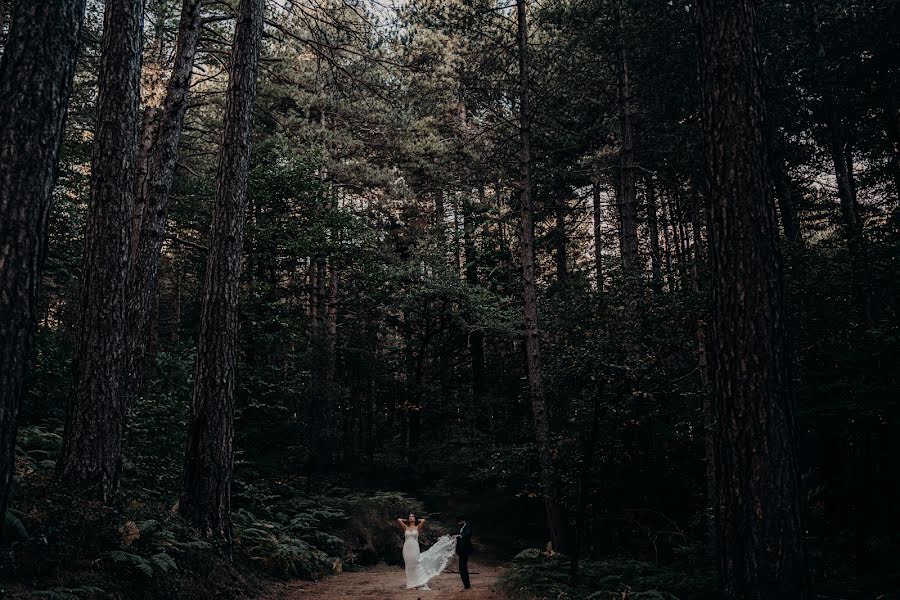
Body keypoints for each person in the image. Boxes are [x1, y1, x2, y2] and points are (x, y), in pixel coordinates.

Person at [397, 512, 457, 590]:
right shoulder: (406, 527)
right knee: (409, 565)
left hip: (415, 547)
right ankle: (411, 584)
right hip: (406, 548)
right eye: (410, 516)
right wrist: (407, 520)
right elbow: (399, 520)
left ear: (415, 518)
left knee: (416, 564)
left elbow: (423, 520)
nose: (411, 517)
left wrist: (416, 520)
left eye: (412, 516)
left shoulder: (417, 527)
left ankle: (419, 582)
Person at [454, 515, 473, 589]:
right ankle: (466, 585)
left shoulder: (468, 527)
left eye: (459, 521)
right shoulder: (461, 528)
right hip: (461, 550)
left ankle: (467, 585)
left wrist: (459, 535)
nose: (458, 523)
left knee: (463, 567)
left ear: (463, 520)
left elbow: (467, 534)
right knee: (461, 567)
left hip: (465, 550)